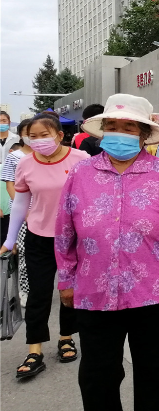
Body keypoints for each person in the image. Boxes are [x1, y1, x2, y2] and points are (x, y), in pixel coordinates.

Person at [53, 94, 159, 411]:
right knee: (97, 375)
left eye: (129, 127)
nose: (119, 133)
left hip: (152, 292)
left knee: (154, 373)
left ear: (143, 134)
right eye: (112, 126)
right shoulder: (81, 174)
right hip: (94, 290)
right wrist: (66, 279)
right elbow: (64, 230)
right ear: (102, 130)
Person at [0, 113, 89, 378]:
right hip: (39, 236)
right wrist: (9, 239)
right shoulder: (25, 163)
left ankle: (66, 338)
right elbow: (20, 203)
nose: (38, 141)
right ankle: (34, 350)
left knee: (70, 292)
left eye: (44, 135)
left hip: (74, 239)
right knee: (38, 294)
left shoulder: (80, 160)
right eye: (32, 136)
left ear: (60, 135)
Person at [1, 118, 33, 305]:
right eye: (28, 133)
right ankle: (24, 289)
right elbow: (10, 186)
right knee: (25, 252)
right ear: (21, 135)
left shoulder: (44, 158)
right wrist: (25, 210)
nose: (33, 137)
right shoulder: (14, 157)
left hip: (46, 213)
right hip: (23, 215)